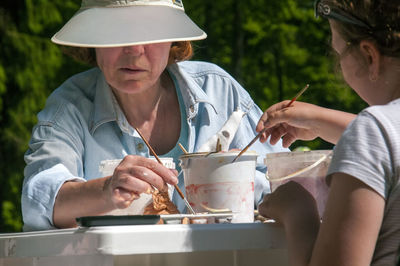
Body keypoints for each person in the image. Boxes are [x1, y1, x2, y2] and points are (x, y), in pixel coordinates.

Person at [21, 0, 288, 231]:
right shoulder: (69, 106)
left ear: (174, 39)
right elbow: (40, 200)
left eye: (151, 32)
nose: (135, 50)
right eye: (117, 33)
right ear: (94, 40)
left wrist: (240, 180)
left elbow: (286, 181)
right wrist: (106, 191)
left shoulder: (219, 92)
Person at [257, 0, 400, 265]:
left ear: (369, 55)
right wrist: (321, 121)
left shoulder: (372, 132)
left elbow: (381, 137)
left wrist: (298, 211)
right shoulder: (378, 131)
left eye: (339, 54)